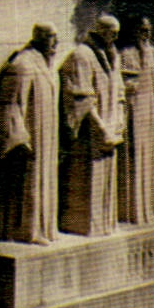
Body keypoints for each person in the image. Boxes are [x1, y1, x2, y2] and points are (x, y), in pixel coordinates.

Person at [0, 24, 61, 244]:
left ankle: (43, 228)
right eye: (52, 38)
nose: (56, 43)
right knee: (29, 183)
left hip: (47, 137)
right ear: (40, 39)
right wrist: (18, 138)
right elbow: (8, 105)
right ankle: (26, 231)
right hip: (30, 141)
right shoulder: (22, 64)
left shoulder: (46, 65)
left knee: (43, 180)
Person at [59, 15, 126, 237]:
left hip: (109, 130)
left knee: (106, 182)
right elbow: (81, 97)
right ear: (100, 30)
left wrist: (119, 120)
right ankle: (84, 225)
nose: (115, 36)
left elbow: (119, 91)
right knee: (87, 179)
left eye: (117, 32)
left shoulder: (113, 55)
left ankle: (104, 224)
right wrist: (99, 127)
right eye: (111, 32)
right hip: (90, 132)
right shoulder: (82, 55)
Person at [117, 18, 154, 227]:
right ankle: (130, 209)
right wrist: (128, 85)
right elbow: (121, 83)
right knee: (133, 157)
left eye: (149, 30)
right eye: (142, 30)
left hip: (149, 111)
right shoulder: (125, 54)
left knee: (147, 157)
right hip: (133, 110)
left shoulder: (152, 53)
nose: (146, 34)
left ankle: (147, 208)